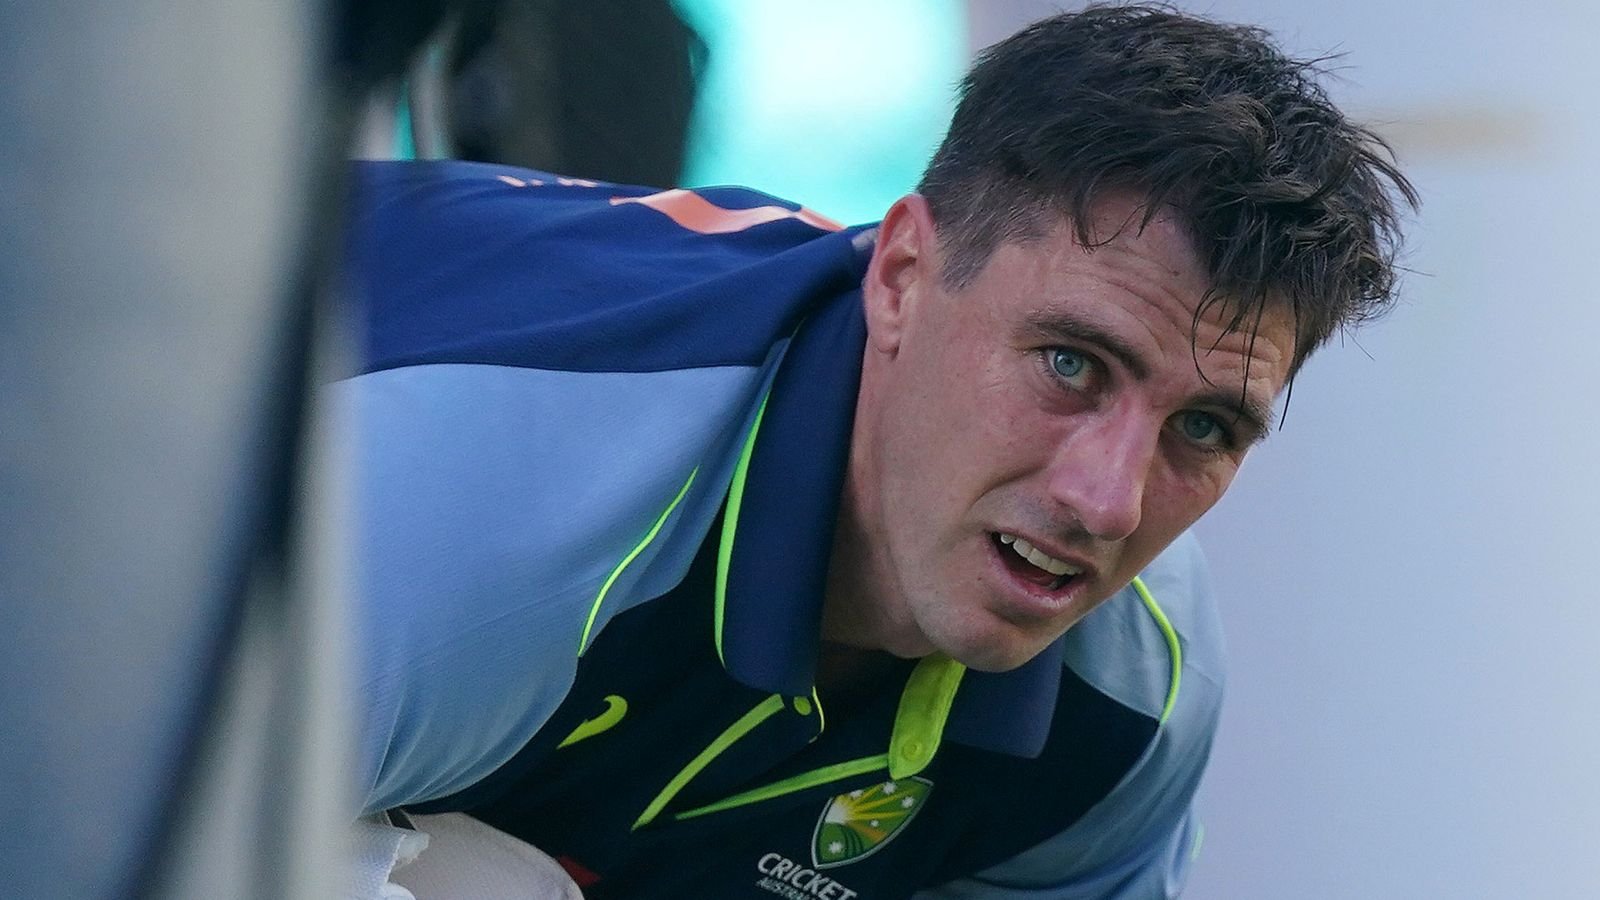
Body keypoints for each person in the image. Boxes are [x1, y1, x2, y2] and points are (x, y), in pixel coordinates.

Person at [338, 5, 1417, 897]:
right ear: (900, 278)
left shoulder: (1132, 704)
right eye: (1070, 365)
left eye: (1204, 428)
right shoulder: (478, 517)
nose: (1106, 502)